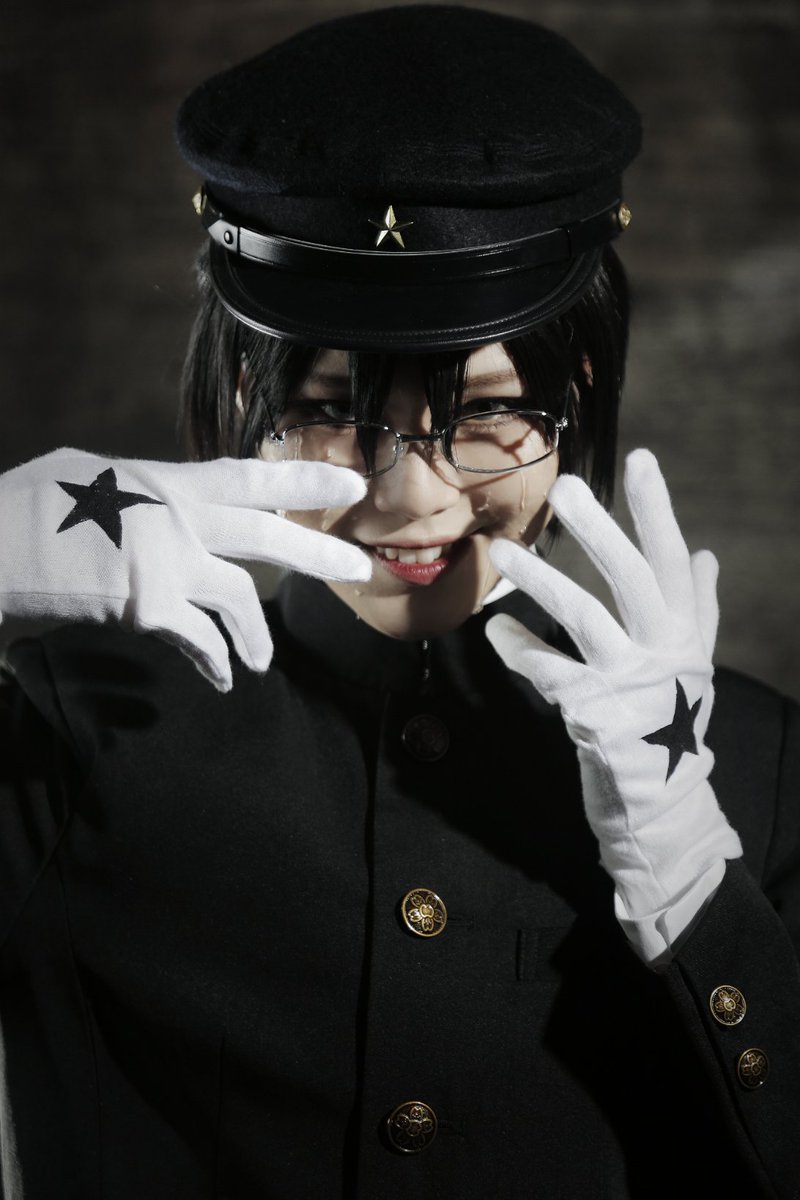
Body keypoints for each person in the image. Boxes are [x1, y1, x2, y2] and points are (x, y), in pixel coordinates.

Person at [0, 7, 798, 1198]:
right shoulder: (70, 729)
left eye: (487, 411)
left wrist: (692, 887)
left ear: (578, 384)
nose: (411, 499)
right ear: (243, 382)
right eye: (331, 406)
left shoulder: (753, 768)